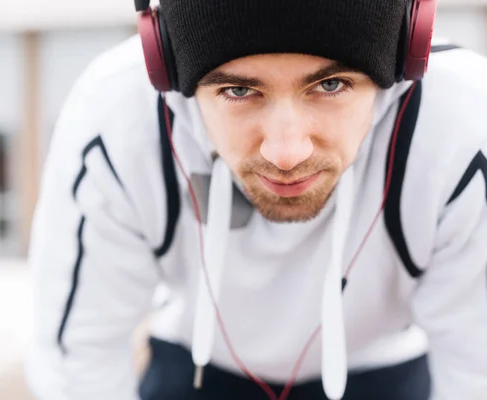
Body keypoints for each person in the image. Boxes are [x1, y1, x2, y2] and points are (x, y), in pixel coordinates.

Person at [25, 1, 487, 399]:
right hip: (197, 371)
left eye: (330, 85)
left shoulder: (462, 127)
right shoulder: (116, 119)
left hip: (380, 369)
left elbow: (476, 372)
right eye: (239, 90)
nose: (286, 153)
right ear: (166, 68)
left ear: (402, 64)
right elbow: (78, 362)